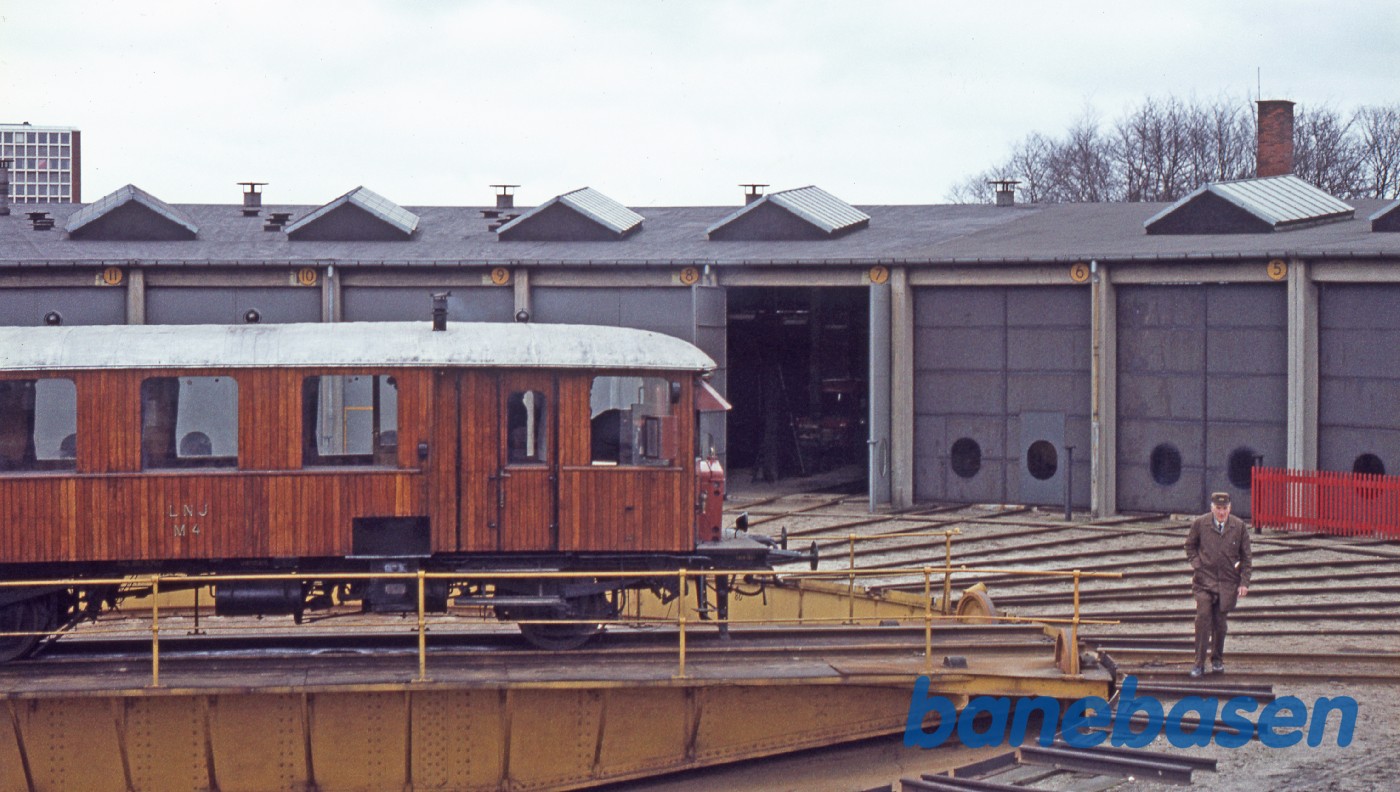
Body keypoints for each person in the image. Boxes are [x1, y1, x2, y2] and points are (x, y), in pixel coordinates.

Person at [1184, 491, 1252, 677]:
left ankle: (1217, 659)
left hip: (1227, 584)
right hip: (1204, 582)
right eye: (1218, 508)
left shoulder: (1239, 527)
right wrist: (1198, 565)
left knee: (1220, 624)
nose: (1221, 512)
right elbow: (1189, 546)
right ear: (1212, 508)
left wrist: (1244, 582)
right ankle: (1198, 663)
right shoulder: (1200, 524)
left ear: (1229, 508)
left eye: (1224, 509)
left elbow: (1246, 556)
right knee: (1203, 619)